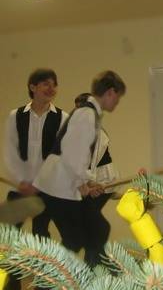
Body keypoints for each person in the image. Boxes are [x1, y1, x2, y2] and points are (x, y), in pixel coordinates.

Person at [34, 71, 125, 266]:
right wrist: (83, 184)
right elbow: (71, 154)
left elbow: (77, 157)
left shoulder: (88, 113)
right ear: (110, 92)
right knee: (88, 233)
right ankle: (54, 277)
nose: (118, 102)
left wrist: (87, 182)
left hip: (57, 183)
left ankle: (74, 274)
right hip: (57, 185)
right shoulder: (86, 114)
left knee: (91, 232)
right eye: (118, 97)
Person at [3, 68, 68, 290]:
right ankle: (12, 283)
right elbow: (10, 151)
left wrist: (42, 182)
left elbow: (61, 156)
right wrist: (21, 180)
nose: (52, 88)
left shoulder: (62, 118)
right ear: (33, 87)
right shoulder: (16, 116)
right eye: (46, 84)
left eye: (54, 84)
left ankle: (43, 284)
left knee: (41, 236)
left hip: (46, 190)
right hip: (20, 188)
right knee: (9, 236)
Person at [73, 92, 119, 267]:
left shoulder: (98, 132)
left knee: (92, 223)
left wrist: (88, 185)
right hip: (93, 181)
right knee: (91, 224)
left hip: (103, 182)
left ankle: (96, 265)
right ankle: (97, 264)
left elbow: (91, 163)